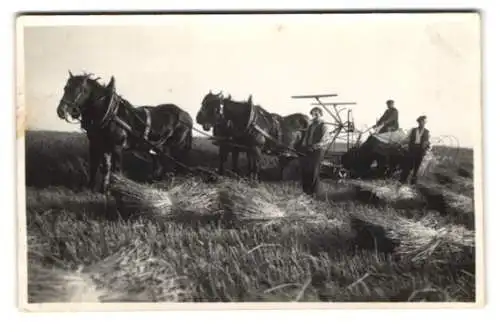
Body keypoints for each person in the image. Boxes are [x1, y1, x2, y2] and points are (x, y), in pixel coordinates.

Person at [299, 107, 331, 196]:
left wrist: (315, 146)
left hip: (318, 150)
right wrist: (304, 146)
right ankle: (305, 191)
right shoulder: (311, 126)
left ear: (321, 114)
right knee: (306, 169)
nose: (314, 116)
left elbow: (325, 140)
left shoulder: (324, 126)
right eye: (313, 114)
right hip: (309, 149)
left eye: (316, 114)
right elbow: (306, 138)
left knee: (314, 170)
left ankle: (313, 193)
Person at [400, 115, 431, 185]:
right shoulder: (413, 130)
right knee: (407, 166)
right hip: (412, 149)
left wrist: (426, 147)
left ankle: (412, 184)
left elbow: (427, 141)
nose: (421, 123)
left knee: (416, 168)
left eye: (423, 122)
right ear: (418, 122)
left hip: (420, 151)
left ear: (425, 123)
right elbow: (407, 138)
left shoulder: (427, 132)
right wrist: (401, 143)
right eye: (420, 122)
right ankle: (402, 181)